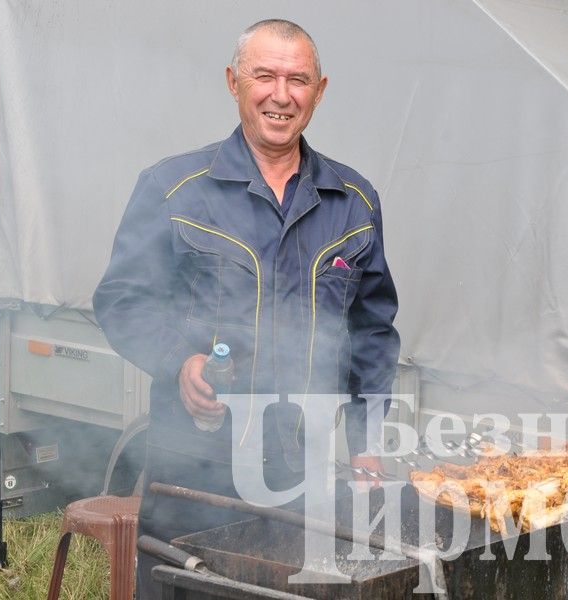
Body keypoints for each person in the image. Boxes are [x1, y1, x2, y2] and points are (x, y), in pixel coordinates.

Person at [92, 19, 400, 597]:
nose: (281, 95)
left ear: (320, 89)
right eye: (265, 76)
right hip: (192, 474)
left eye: (298, 79)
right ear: (234, 82)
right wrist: (179, 359)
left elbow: (373, 332)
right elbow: (122, 299)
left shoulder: (354, 203)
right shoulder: (174, 188)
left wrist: (366, 442)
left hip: (301, 475)